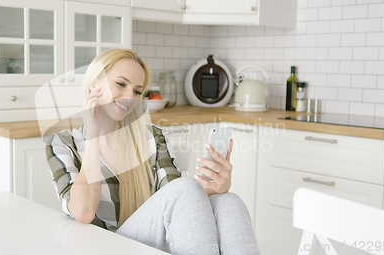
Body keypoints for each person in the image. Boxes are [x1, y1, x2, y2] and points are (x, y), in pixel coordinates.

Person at [45, 49, 259, 255]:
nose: (130, 97)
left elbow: (177, 199)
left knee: (229, 201)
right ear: (94, 85)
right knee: (187, 188)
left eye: (137, 91)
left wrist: (215, 187)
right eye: (121, 84)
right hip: (105, 247)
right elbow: (83, 212)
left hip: (149, 243)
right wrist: (92, 133)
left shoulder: (151, 137)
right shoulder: (63, 143)